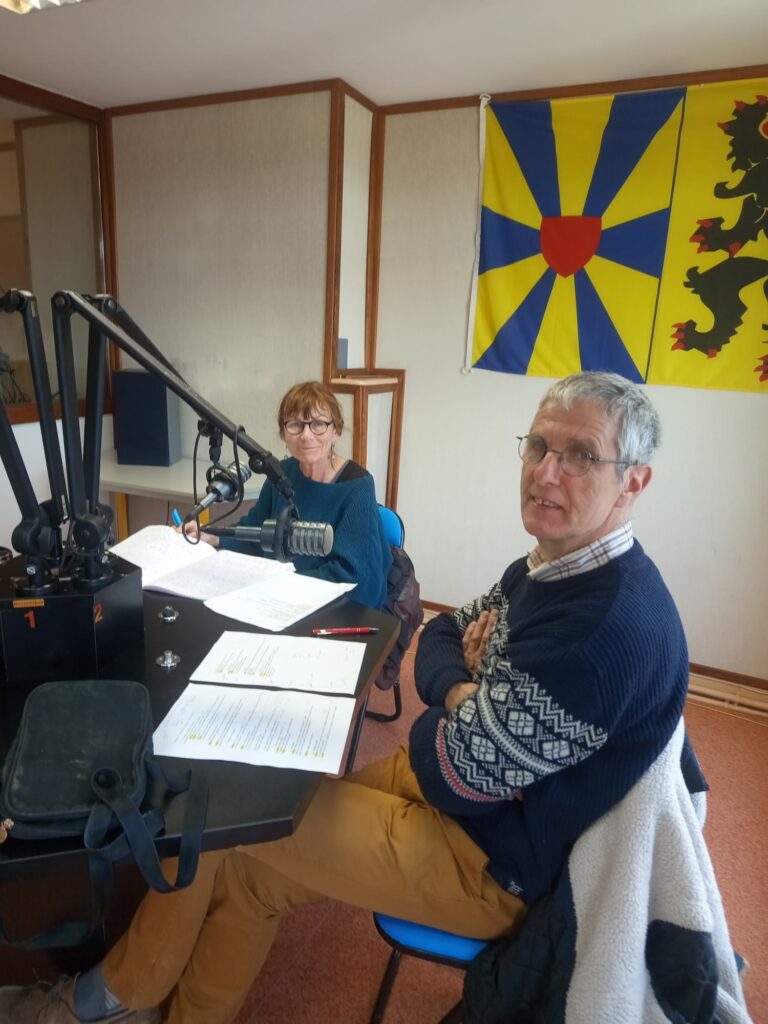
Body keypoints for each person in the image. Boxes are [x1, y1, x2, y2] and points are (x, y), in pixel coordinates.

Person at [0, 371, 691, 1024]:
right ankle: (134, 997)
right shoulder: (545, 565)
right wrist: (464, 692)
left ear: (633, 482)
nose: (545, 472)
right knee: (242, 851)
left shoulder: (600, 628)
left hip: (492, 859)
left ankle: (105, 998)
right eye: (538, 446)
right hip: (469, 799)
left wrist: (452, 708)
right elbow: (441, 633)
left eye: (581, 455)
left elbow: (455, 769)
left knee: (215, 826)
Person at [192, 380, 392, 609]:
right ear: (283, 434)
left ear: (336, 431)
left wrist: (282, 586)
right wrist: (210, 536)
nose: (306, 435)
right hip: (276, 597)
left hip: (330, 606)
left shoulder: (357, 486)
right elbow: (255, 531)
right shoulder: (281, 473)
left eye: (318, 424)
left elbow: (352, 576)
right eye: (295, 424)